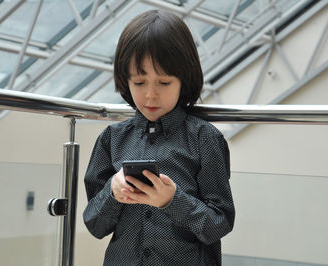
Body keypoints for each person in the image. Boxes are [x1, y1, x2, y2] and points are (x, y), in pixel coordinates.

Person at [83, 9, 235, 266]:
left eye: (164, 83)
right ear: (125, 81)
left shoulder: (204, 139)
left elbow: (219, 224)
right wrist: (112, 192)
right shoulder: (112, 139)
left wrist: (172, 201)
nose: (150, 96)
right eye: (139, 83)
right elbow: (95, 225)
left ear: (183, 80)